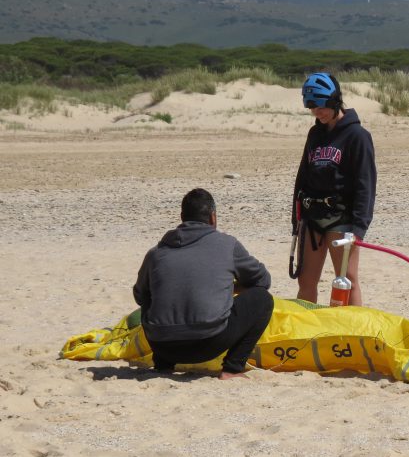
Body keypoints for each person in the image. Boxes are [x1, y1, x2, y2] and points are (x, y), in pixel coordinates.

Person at [133, 188, 273, 380]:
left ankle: (163, 365)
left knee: (151, 296)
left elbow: (140, 297)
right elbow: (263, 281)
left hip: (162, 345)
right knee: (262, 299)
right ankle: (232, 368)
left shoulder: (156, 252)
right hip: (208, 343)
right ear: (213, 217)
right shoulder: (227, 244)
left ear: (182, 217)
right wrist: (231, 287)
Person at [292, 71, 377, 306]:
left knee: (346, 279)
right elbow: (303, 177)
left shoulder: (358, 136)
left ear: (334, 101)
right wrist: (296, 219)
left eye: (321, 107)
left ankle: (355, 333)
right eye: (312, 108)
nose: (317, 113)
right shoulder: (315, 134)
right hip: (312, 217)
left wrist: (359, 228)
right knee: (306, 282)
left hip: (342, 218)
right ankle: (307, 332)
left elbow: (366, 185)